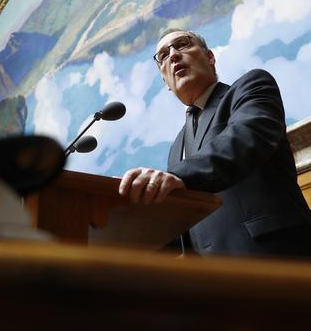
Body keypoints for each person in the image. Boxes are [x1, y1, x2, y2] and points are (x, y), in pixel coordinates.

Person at [118, 28, 311, 257]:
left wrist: (179, 176)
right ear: (166, 82)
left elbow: (245, 138)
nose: (173, 55)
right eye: (163, 56)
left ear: (210, 57)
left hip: (277, 257)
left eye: (182, 44)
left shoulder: (250, 87)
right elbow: (186, 225)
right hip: (215, 281)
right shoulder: (176, 149)